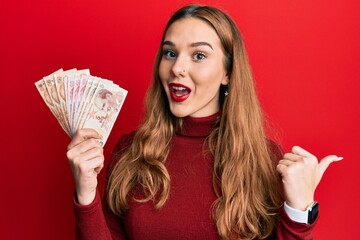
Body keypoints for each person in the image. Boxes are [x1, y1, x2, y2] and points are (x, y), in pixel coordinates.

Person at [66, 4, 342, 240]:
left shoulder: (264, 159)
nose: (177, 67)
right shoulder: (130, 151)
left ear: (228, 74)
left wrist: (299, 208)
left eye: (198, 55)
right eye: (170, 53)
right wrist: (86, 193)